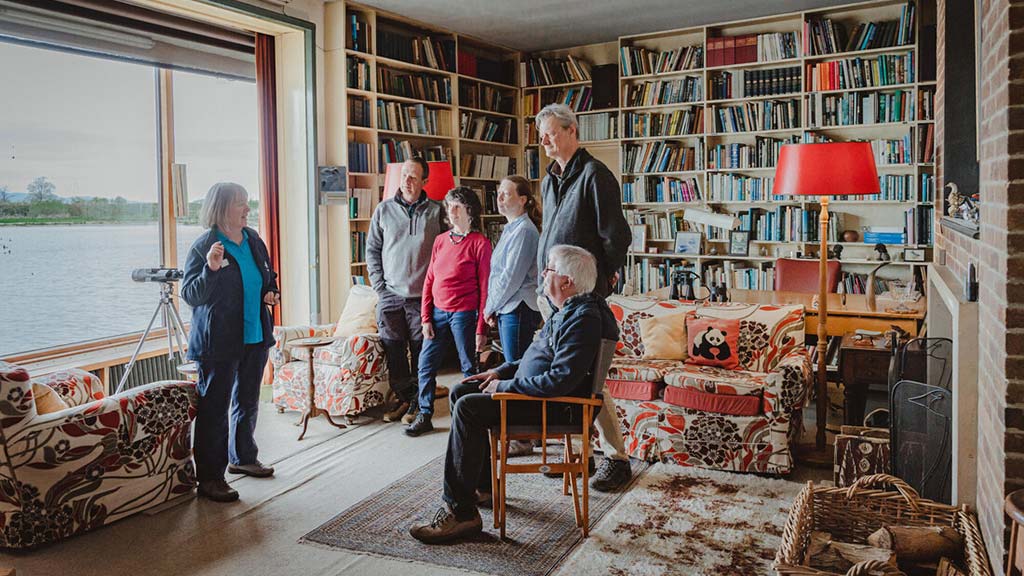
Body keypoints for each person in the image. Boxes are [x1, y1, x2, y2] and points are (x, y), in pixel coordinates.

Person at [408, 245, 619, 544]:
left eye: (549, 269)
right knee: (461, 390)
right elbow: (535, 357)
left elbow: (559, 381)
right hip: (538, 397)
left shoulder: (584, 319)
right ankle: (481, 489)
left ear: (567, 282)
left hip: (555, 407)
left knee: (469, 407)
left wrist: (504, 387)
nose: (543, 274)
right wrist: (499, 372)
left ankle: (461, 512)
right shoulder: (569, 312)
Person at [535, 102, 634, 492]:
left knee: (592, 380)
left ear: (572, 131)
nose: (544, 141)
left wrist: (599, 282)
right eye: (541, 135)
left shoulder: (595, 174)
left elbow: (617, 236)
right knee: (571, 377)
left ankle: (617, 460)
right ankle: (580, 458)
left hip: (584, 296)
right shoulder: (550, 179)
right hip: (556, 296)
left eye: (551, 133)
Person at [181, 182, 280, 503]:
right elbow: (190, 295)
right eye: (240, 203)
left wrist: (271, 291)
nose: (247, 208)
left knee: (248, 400)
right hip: (218, 340)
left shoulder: (253, 239)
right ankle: (210, 477)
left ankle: (243, 457)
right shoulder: (204, 246)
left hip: (254, 332)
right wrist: (210, 269)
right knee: (215, 408)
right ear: (222, 208)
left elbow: (267, 275)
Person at [405, 187, 492, 437]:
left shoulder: (480, 244)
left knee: (468, 367)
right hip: (437, 313)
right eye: (449, 205)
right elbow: (429, 280)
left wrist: (481, 329)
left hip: (465, 313)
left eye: (457, 206)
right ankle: (424, 414)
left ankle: (469, 417)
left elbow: (485, 288)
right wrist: (425, 317)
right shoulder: (441, 240)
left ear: (469, 211)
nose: (451, 211)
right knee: (425, 364)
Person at [366, 157, 446, 424]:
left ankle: (418, 404)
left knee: (423, 353)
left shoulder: (438, 211)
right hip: (390, 296)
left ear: (425, 181)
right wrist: (380, 287)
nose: (407, 182)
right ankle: (405, 399)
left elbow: (447, 252)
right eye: (404, 176)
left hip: (423, 299)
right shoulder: (384, 210)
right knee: (394, 351)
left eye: (414, 177)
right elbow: (372, 251)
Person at [484, 175, 542, 457]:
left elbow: (510, 277)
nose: (500, 198)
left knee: (517, 373)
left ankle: (523, 437)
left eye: (507, 194)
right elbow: (497, 276)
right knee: (514, 369)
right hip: (509, 307)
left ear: (523, 199)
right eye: (499, 193)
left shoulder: (525, 231)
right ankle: (527, 431)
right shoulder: (511, 229)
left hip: (519, 307)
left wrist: (489, 306)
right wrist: (493, 305)